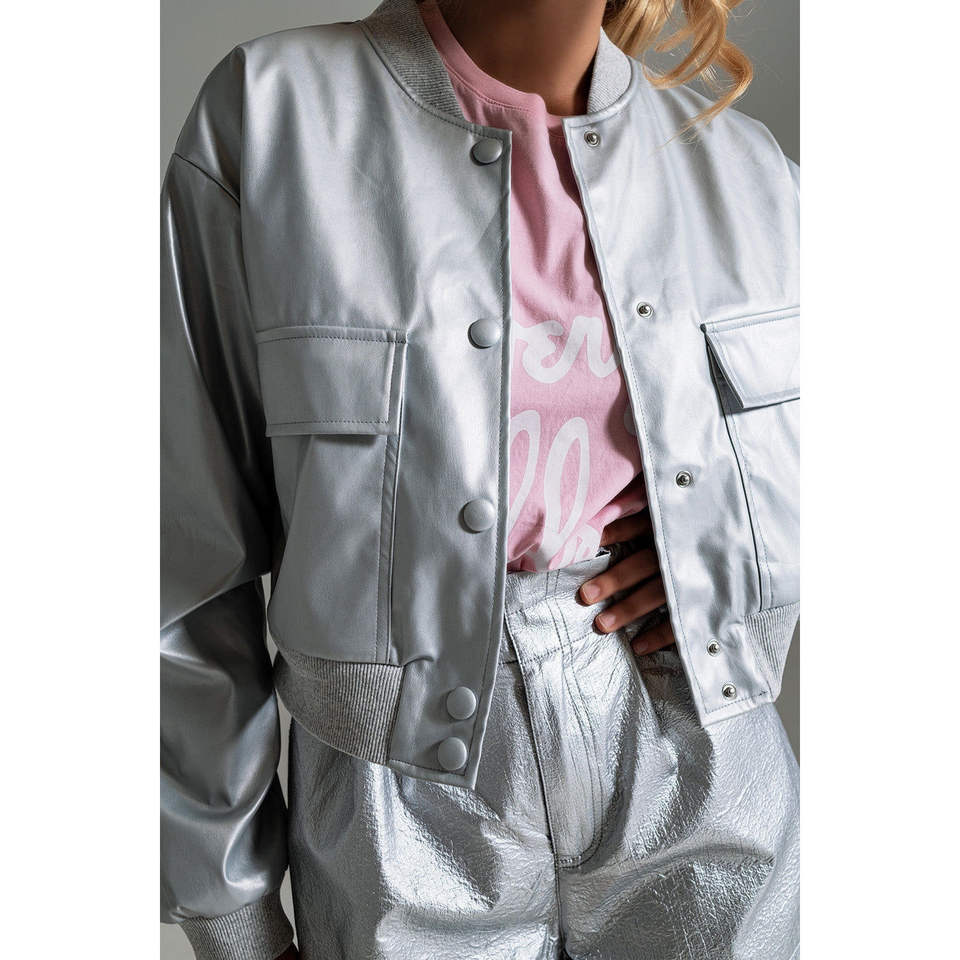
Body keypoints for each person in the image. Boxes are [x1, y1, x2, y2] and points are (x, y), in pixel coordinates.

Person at [160, 1, 800, 958]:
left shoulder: (746, 169)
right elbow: (181, 547)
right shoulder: (273, 113)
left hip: (703, 757)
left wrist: (729, 559)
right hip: (401, 804)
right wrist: (232, 917)